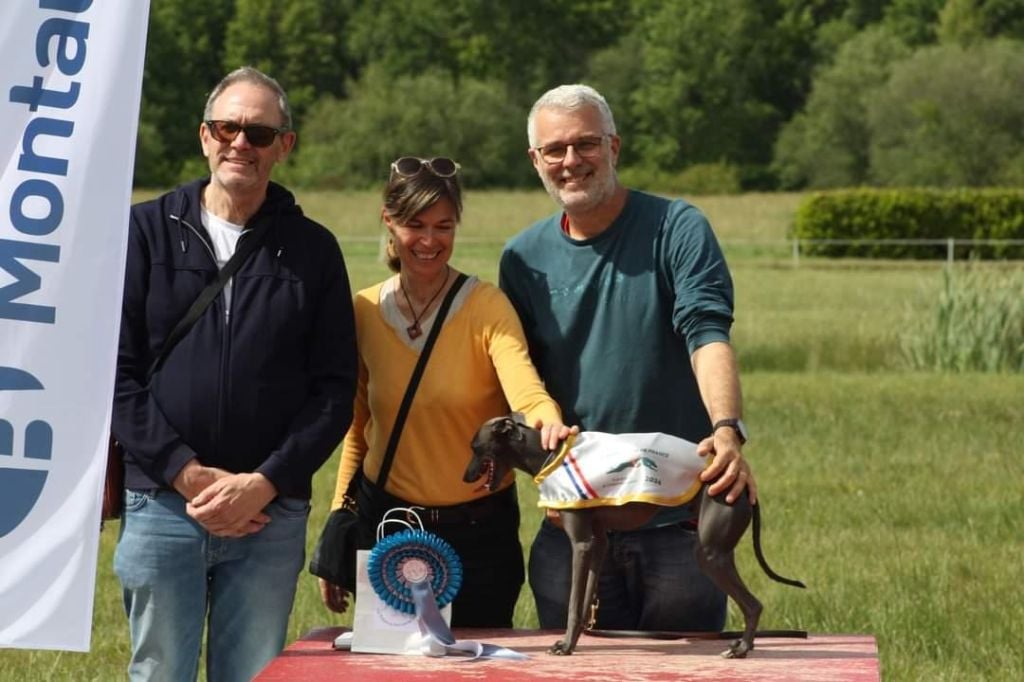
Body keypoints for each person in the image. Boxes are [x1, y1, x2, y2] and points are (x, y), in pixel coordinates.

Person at [112, 66, 358, 682]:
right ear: (204, 136)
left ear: (285, 145)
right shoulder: (143, 233)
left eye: (258, 132)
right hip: (163, 503)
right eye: (227, 127)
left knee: (253, 675)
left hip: (268, 516)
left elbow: (334, 391)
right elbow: (115, 375)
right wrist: (186, 474)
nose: (240, 143)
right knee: (159, 672)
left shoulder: (313, 249)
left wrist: (264, 482)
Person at [499, 84, 756, 633]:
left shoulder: (677, 228)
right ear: (535, 160)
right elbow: (523, 382)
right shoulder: (521, 259)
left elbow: (707, 332)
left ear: (614, 146)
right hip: (573, 528)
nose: (571, 161)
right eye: (554, 149)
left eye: (586, 144)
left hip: (678, 524)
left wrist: (727, 428)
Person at [317, 156, 569, 627]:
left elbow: (526, 390)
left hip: (480, 533)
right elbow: (359, 430)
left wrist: (545, 421)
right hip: (387, 524)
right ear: (387, 221)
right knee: (391, 672)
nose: (430, 241)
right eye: (415, 225)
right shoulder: (364, 311)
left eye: (443, 226)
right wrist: (340, 521)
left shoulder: (487, 306)